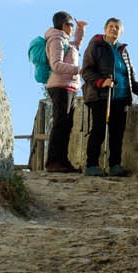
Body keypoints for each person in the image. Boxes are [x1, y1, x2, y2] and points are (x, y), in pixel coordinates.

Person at [80, 17, 138, 177]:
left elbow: (130, 75)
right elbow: (86, 71)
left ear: (121, 31)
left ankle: (115, 165)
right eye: (111, 26)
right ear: (105, 29)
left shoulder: (123, 51)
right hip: (101, 95)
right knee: (98, 130)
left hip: (121, 96)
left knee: (117, 132)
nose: (114, 29)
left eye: (117, 27)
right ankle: (91, 165)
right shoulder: (96, 46)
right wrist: (102, 82)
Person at [41, 10, 87, 173]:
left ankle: (63, 161)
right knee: (61, 124)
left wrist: (81, 29)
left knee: (67, 125)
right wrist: (78, 70)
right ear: (63, 25)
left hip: (69, 87)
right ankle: (53, 162)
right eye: (71, 25)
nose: (72, 28)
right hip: (60, 86)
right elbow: (56, 64)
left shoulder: (66, 41)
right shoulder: (56, 40)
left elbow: (76, 45)